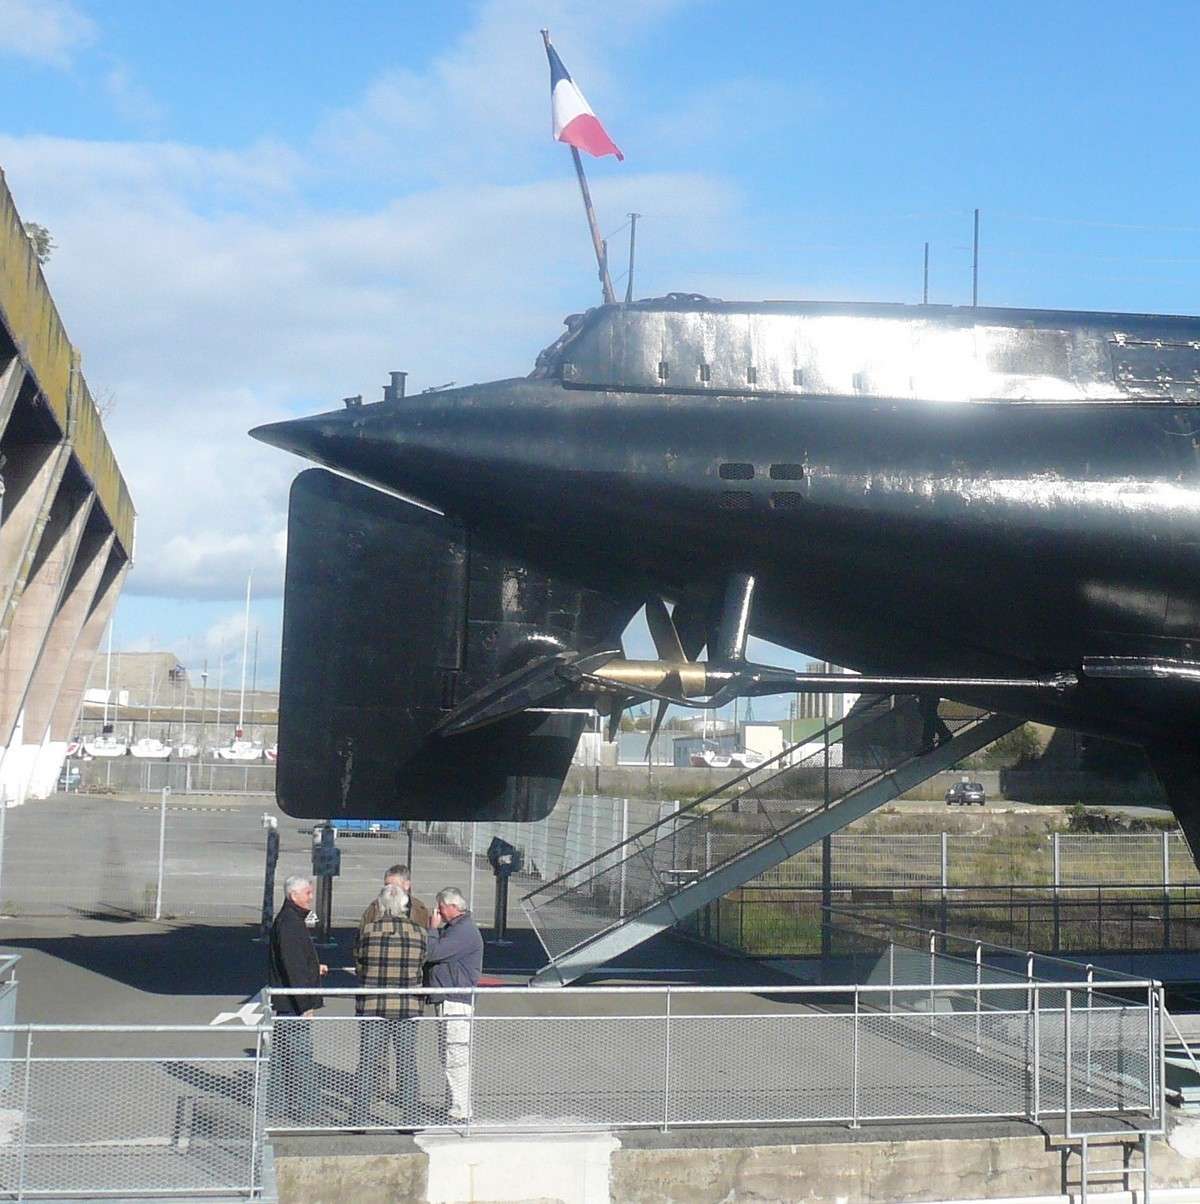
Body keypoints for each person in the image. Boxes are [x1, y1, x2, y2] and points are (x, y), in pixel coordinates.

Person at [352, 883, 427, 1124]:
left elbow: (359, 964)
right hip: (407, 1005)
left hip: (373, 1004)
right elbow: (421, 966)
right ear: (404, 906)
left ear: (382, 905)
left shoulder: (369, 932)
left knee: (367, 1062)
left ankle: (359, 1117)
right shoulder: (419, 933)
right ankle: (411, 1116)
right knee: (407, 1062)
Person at [268, 875, 327, 1122]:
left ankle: (278, 1105)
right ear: (294, 895)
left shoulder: (288, 920)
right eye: (307, 893)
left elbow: (297, 963)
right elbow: (294, 967)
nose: (311, 897)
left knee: (283, 1056)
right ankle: (308, 1109)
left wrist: (314, 966)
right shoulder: (291, 923)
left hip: (286, 1001)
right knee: (301, 1056)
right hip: (293, 1004)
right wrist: (306, 1005)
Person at [424, 886, 483, 1121]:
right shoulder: (456, 929)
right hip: (448, 998)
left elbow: (433, 952)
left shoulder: (464, 932)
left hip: (456, 1001)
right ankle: (454, 1105)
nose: (438, 912)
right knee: (449, 1054)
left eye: (441, 907)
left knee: (455, 1055)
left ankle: (460, 1109)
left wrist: (432, 929)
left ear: (453, 907)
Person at [355, 864, 431, 965]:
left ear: (407, 885)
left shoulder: (419, 909)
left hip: (408, 967)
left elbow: (424, 943)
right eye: (386, 885)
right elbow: (360, 941)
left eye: (394, 885)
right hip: (379, 966)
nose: (389, 889)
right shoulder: (374, 908)